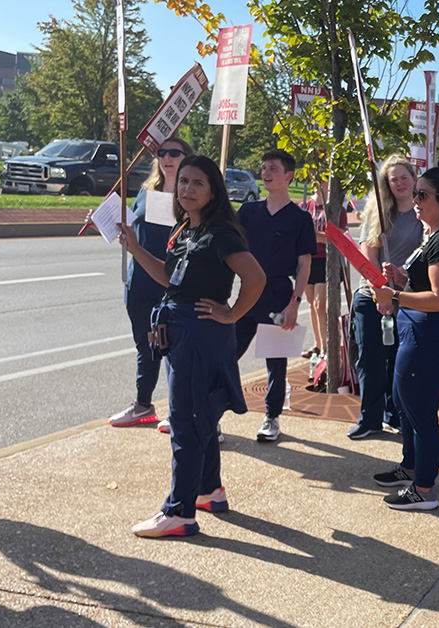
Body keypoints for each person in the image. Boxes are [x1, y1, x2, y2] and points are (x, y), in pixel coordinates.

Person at [118, 155, 266, 537]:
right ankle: (208, 490)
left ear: (213, 189)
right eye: (183, 182)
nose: (187, 189)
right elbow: (171, 278)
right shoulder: (186, 228)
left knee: (185, 422)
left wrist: (232, 313)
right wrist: (134, 247)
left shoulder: (221, 232)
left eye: (197, 183)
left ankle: (179, 511)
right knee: (200, 416)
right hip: (181, 333)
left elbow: (256, 277)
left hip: (201, 335)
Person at [368, 156, 439, 510]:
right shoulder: (434, 237)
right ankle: (411, 467)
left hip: (431, 337)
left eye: (423, 194)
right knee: (404, 405)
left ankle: (424, 489)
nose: (416, 200)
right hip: (417, 332)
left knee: (420, 413)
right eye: (417, 193)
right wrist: (400, 276)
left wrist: (394, 294)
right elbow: (425, 282)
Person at [109, 137, 192, 430]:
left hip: (171, 283)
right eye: (161, 152)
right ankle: (143, 405)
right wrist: (111, 226)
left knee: (173, 349)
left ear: (186, 158)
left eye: (174, 153)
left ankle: (179, 409)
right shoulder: (146, 193)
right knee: (145, 346)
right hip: (139, 282)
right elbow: (132, 227)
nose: (167, 157)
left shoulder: (190, 197)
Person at [233, 150, 316, 443]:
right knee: (226, 355)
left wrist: (295, 302)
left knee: (275, 364)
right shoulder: (247, 212)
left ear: (288, 175)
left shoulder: (300, 218)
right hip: (247, 294)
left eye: (273, 169)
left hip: (279, 295)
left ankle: (272, 417)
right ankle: (213, 413)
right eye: (264, 168)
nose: (266, 173)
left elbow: (305, 263)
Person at [346, 156, 424, 440]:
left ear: (414, 178)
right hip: (373, 293)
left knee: (399, 360)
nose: (400, 183)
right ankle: (369, 417)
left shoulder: (422, 214)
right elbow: (369, 254)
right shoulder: (378, 213)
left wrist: (396, 291)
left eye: (404, 177)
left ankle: (396, 414)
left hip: (407, 296)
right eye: (394, 179)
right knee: (370, 357)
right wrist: (380, 292)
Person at [301, 178, 346, 360]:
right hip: (307, 260)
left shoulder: (336, 210)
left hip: (326, 260)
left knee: (321, 305)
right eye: (315, 180)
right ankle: (318, 345)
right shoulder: (305, 206)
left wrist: (315, 236)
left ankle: (328, 347)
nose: (318, 184)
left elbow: (338, 238)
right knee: (312, 304)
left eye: (323, 181)